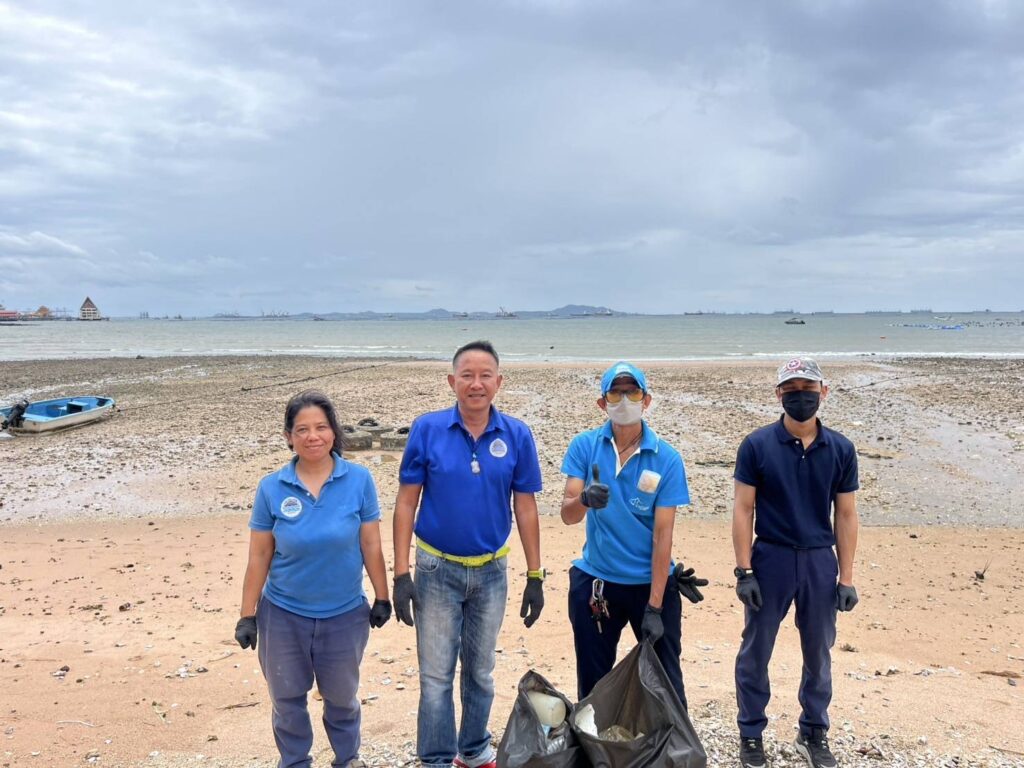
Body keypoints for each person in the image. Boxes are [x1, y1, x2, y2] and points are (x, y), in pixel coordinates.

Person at [392, 340, 545, 768]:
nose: (476, 384)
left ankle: (474, 750)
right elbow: (406, 502)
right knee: (436, 675)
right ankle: (436, 758)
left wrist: (536, 575)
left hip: (492, 571)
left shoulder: (516, 434)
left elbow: (525, 506)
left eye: (485, 376)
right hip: (436, 569)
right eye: (467, 376)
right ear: (452, 381)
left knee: (480, 671)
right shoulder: (427, 429)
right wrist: (401, 574)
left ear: (499, 382)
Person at [234, 390, 392, 768]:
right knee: (287, 700)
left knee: (342, 698)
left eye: (321, 427)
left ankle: (347, 758)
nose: (312, 436)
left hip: (344, 614)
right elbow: (259, 555)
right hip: (283, 615)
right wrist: (247, 615)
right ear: (289, 436)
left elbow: (371, 544)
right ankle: (294, 761)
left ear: (334, 432)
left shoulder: (359, 480)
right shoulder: (271, 487)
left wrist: (382, 596)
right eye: (302, 429)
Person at [732, 358, 859, 768]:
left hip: (820, 560)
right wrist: (744, 570)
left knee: (819, 651)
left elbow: (845, 515)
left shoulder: (840, 449)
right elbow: (743, 509)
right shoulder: (757, 445)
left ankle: (813, 731)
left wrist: (846, 578)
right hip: (771, 557)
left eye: (808, 388)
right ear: (778, 394)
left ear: (824, 391)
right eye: (790, 389)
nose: (799, 396)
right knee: (756, 650)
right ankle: (751, 733)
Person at [560, 361, 693, 708]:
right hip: (597, 581)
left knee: (665, 682)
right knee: (593, 684)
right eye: (615, 393)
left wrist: (655, 605)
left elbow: (663, 536)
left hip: (650, 584)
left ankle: (672, 742)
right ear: (602, 403)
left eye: (632, 393)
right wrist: (584, 500)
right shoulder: (584, 446)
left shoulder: (666, 458)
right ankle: (594, 739)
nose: (624, 400)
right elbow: (568, 515)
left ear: (646, 400)